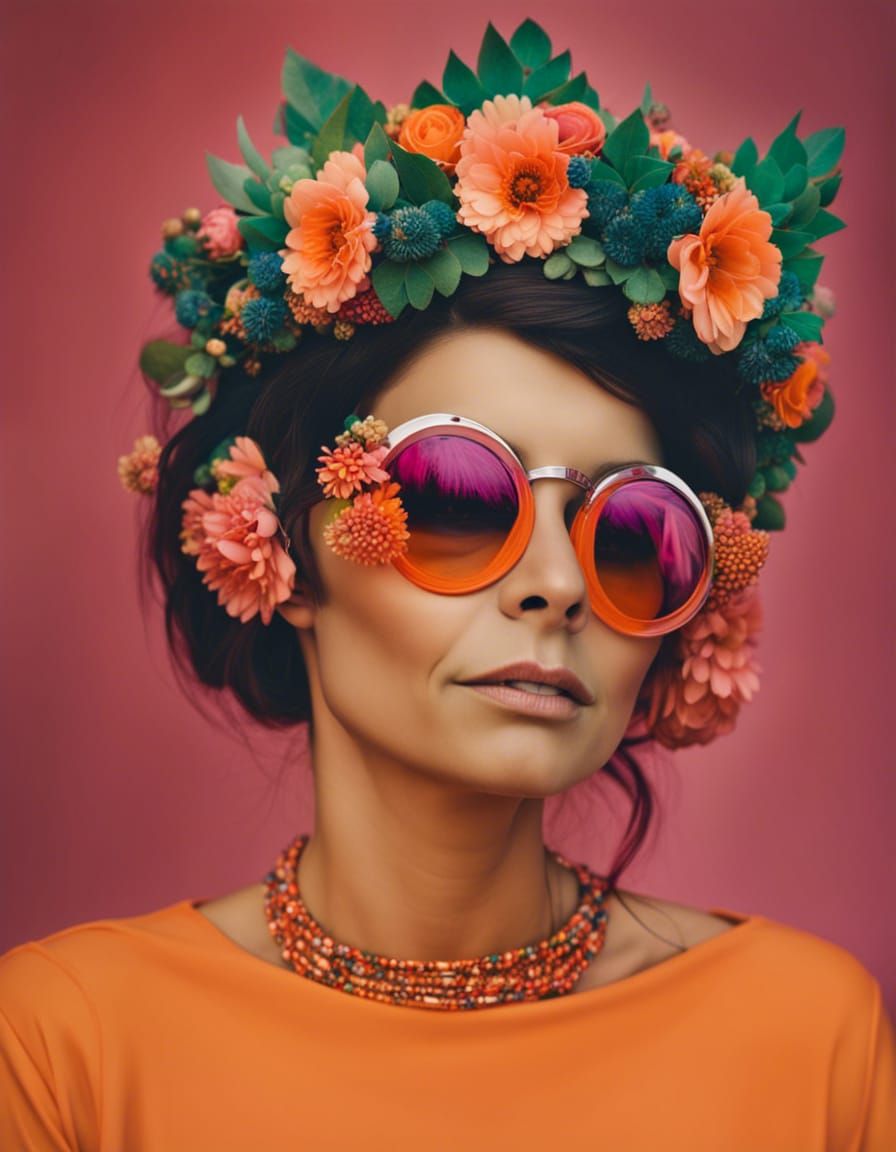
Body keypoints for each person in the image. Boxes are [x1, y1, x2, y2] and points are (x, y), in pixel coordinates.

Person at [2, 19, 893, 1151]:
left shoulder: (803, 1041)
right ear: (272, 543)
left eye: (633, 530)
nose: (559, 586)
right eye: (462, 497)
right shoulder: (71, 1049)